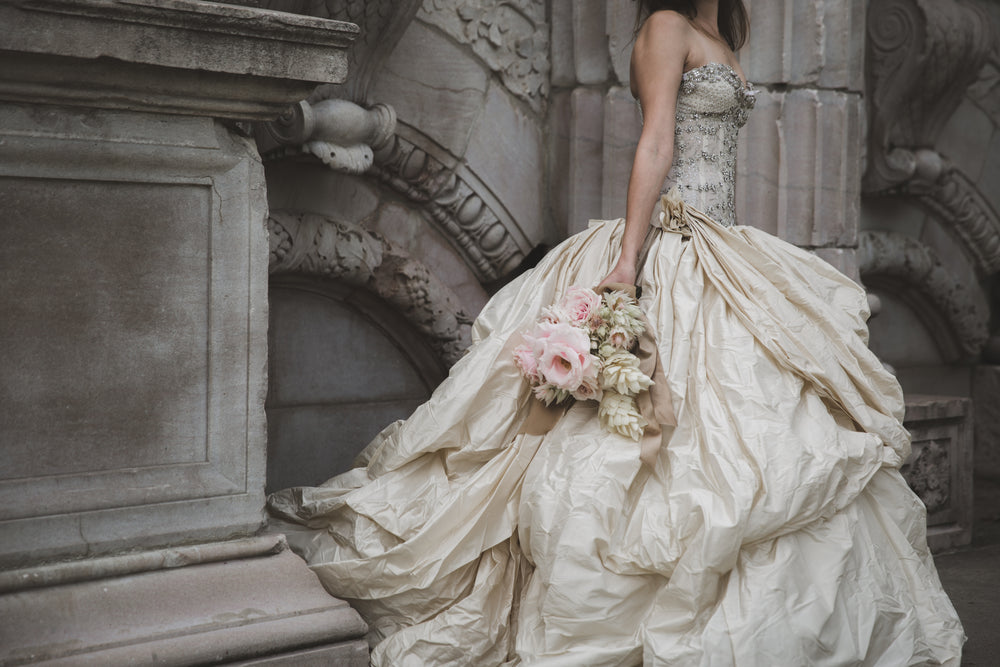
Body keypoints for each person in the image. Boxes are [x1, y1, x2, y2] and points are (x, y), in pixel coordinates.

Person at [267, 0, 966, 664]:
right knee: (632, 439)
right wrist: (628, 261)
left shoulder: (721, 35)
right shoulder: (665, 26)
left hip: (722, 246)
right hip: (672, 239)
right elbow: (657, 139)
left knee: (768, 431)